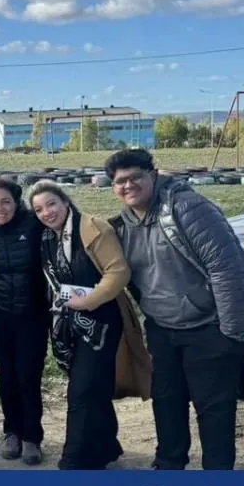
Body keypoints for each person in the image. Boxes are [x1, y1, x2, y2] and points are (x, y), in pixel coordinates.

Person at [105, 149, 244, 470]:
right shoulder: (122, 226)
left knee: (214, 408)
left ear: (153, 175)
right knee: (167, 401)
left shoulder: (188, 208)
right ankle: (169, 464)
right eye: (120, 181)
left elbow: (225, 269)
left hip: (210, 327)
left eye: (136, 177)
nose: (128, 185)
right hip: (163, 330)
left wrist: (230, 334)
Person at [29, 180, 149, 470]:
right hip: (71, 323)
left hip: (101, 322)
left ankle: (74, 461)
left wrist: (89, 301)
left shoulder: (93, 228)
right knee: (95, 387)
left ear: (65, 201)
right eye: (39, 209)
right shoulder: (48, 238)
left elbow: (118, 271)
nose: (46, 212)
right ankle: (105, 448)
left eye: (51, 204)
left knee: (81, 392)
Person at [0, 174, 49, 464]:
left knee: (28, 375)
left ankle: (32, 437)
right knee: (6, 376)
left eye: (5, 202)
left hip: (32, 313)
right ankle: (11, 433)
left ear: (17, 203)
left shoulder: (33, 224)